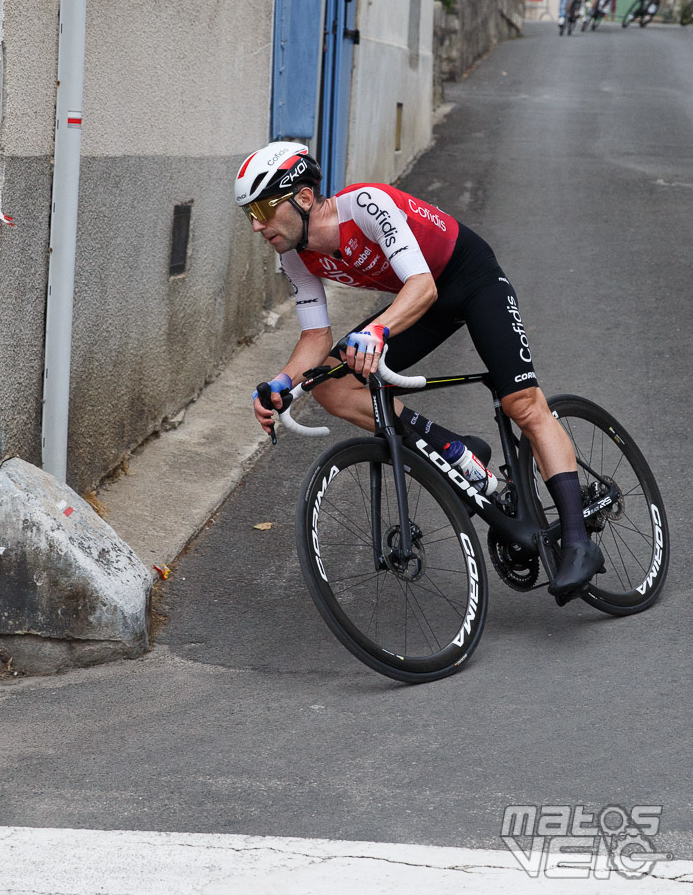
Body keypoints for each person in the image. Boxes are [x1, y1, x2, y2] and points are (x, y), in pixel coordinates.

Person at [237, 141, 606, 602]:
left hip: (469, 280)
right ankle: (454, 449)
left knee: (523, 405)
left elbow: (422, 284)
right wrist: (282, 383)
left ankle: (577, 541)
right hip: (424, 300)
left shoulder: (367, 204)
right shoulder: (295, 253)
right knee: (333, 386)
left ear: (304, 198)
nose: (256, 224)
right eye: (249, 212)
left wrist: (377, 331)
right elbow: (314, 338)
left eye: (264, 208)